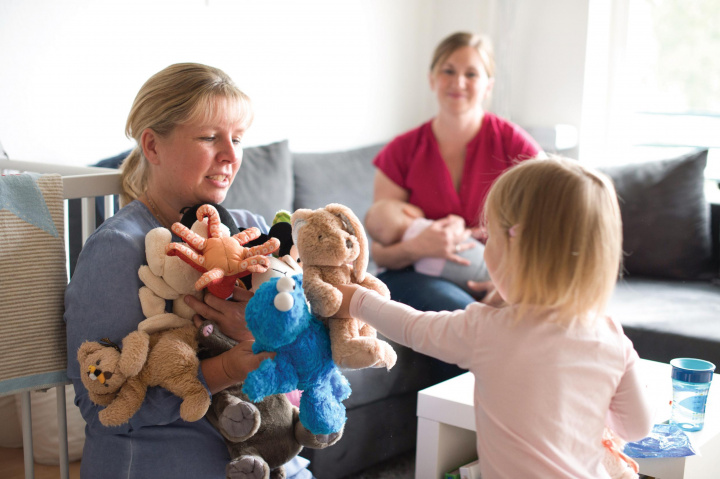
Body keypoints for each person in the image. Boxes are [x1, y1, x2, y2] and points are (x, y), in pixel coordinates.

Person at [64, 63, 314, 479]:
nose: (232, 156)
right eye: (209, 138)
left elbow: (312, 351)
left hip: (274, 459)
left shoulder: (254, 230)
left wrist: (257, 331)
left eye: (237, 139)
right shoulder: (117, 249)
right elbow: (103, 407)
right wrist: (229, 366)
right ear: (153, 146)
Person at [336, 157, 654, 478]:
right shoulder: (612, 336)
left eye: (488, 238)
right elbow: (637, 428)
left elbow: (414, 327)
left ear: (517, 250)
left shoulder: (487, 329)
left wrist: (358, 300)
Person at [370, 31, 542, 311]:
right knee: (464, 315)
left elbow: (550, 225)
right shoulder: (401, 151)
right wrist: (418, 247)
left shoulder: (515, 145)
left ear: (488, 86)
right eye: (448, 71)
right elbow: (378, 250)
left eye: (472, 74)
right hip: (418, 274)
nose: (458, 82)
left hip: (501, 272)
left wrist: (511, 279)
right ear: (432, 78)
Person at [364, 198, 489, 298]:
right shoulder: (428, 226)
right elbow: (455, 222)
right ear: (409, 211)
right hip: (488, 259)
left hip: (474, 287)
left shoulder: (419, 266)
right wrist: (458, 223)